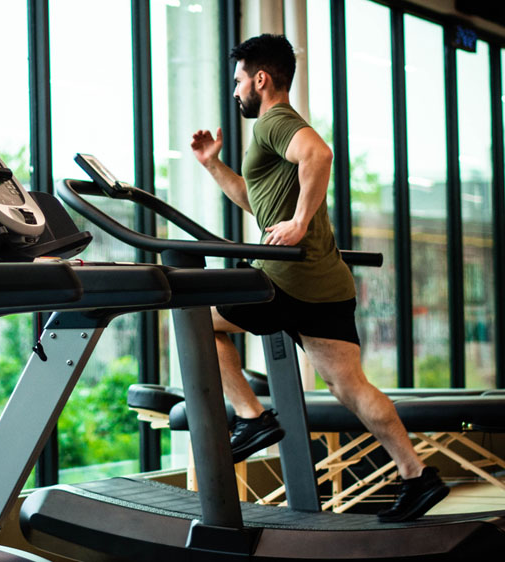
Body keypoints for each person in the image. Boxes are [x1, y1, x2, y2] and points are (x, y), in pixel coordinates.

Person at [190, 33, 448, 523]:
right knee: (350, 386)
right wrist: (213, 165)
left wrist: (300, 223)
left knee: (198, 319)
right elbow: (256, 201)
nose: (236, 91)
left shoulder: (276, 122)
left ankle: (252, 418)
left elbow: (320, 156)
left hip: (284, 277)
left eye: (239, 80)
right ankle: (417, 475)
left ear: (260, 79)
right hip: (325, 282)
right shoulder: (275, 131)